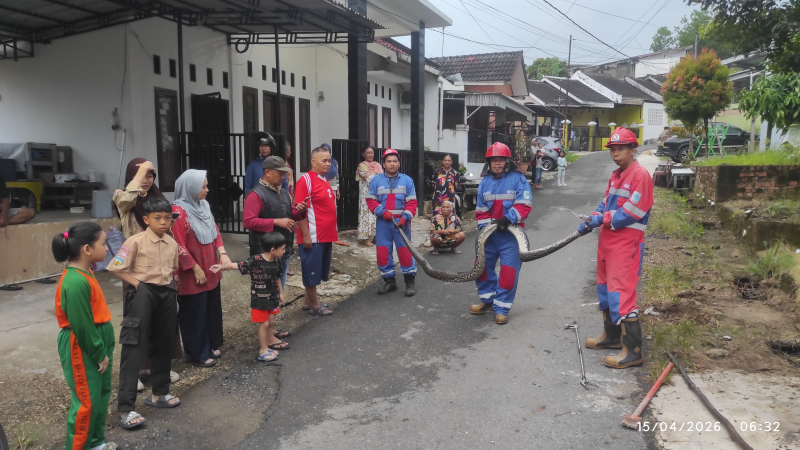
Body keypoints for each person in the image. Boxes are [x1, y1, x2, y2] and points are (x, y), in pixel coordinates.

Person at [579, 127, 652, 369]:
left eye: (621, 148)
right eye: (613, 149)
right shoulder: (616, 175)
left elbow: (632, 211)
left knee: (622, 294)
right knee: (606, 291)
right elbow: (606, 201)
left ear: (633, 149)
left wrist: (604, 218)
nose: (615, 153)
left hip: (626, 242)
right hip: (607, 241)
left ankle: (633, 351)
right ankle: (611, 337)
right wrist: (593, 217)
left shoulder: (640, 176)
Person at [107, 197, 181, 430]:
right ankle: (126, 408)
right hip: (142, 292)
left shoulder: (171, 243)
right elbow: (116, 267)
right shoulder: (135, 241)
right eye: (157, 218)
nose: (163, 222)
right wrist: (138, 285)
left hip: (166, 292)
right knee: (134, 344)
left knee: (164, 341)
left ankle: (160, 394)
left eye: (167, 218)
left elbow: (174, 268)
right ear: (146, 219)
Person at [113, 158, 180, 390]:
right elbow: (126, 202)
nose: (146, 181)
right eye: (142, 175)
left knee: (163, 322)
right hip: (137, 271)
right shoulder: (124, 196)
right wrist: (138, 176)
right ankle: (137, 372)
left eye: (150, 176)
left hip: (161, 270)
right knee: (137, 323)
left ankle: (159, 366)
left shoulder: (158, 199)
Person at [52, 222, 117, 449]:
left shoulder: (84, 271)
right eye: (102, 243)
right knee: (86, 402)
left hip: (95, 339)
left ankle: (96, 442)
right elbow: (81, 325)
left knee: (100, 395)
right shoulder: (75, 280)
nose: (107, 248)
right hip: (83, 345)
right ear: (87, 249)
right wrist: (99, 353)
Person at [172, 170, 232, 367]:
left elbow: (214, 231)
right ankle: (197, 352)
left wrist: (222, 253)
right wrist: (194, 268)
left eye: (206, 185)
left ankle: (212, 343)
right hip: (193, 271)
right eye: (203, 187)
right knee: (194, 312)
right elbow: (177, 245)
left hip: (210, 265)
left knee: (211, 308)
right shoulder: (178, 213)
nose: (207, 190)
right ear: (190, 188)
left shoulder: (203, 205)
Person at [470, 142, 532, 324]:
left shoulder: (518, 179)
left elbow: (524, 204)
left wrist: (509, 218)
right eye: (493, 160)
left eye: (501, 160)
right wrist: (486, 227)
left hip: (511, 236)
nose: (497, 163)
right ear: (489, 162)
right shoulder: (485, 183)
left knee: (508, 272)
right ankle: (487, 301)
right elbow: (481, 210)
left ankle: (502, 308)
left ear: (507, 161)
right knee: (480, 268)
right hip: (490, 236)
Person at [213, 232, 288, 362]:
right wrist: (222, 267)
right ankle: (263, 350)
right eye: (282, 249)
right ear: (272, 249)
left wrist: (280, 293)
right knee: (264, 324)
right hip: (259, 300)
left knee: (270, 322)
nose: (284, 251)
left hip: (273, 299)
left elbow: (278, 278)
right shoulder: (255, 261)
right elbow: (239, 265)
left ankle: (267, 345)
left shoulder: (277, 262)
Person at [243, 156, 307, 296]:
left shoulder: (283, 192)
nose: (283, 177)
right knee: (265, 290)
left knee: (279, 285)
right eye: (280, 173)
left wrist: (300, 212)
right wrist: (276, 222)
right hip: (265, 250)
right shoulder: (256, 195)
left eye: (284, 173)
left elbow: (290, 214)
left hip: (283, 247)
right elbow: (248, 222)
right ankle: (265, 316)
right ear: (268, 172)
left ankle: (274, 313)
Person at [366, 148, 418, 297]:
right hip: (383, 223)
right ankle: (389, 282)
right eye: (389, 161)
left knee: (405, 251)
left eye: (395, 161)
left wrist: (405, 218)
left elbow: (412, 203)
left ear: (399, 163)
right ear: (384, 163)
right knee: (383, 252)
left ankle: (409, 281)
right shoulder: (376, 181)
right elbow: (370, 201)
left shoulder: (407, 180)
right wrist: (383, 212)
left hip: (402, 223)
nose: (392, 164)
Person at [294, 147, 337, 316]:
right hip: (313, 236)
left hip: (325, 235)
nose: (328, 164)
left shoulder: (324, 179)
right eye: (323, 160)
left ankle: (307, 301)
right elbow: (299, 210)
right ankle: (314, 304)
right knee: (310, 270)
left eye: (329, 160)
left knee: (318, 270)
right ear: (313, 162)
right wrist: (305, 235)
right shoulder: (305, 180)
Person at [356, 146, 382, 247]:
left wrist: (376, 175)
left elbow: (382, 179)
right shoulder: (362, 165)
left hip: (377, 195)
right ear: (363, 154)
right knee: (365, 216)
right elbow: (370, 180)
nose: (370, 155)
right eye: (368, 153)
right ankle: (364, 238)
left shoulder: (377, 165)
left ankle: (376, 236)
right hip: (366, 195)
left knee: (376, 215)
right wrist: (376, 175)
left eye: (371, 153)